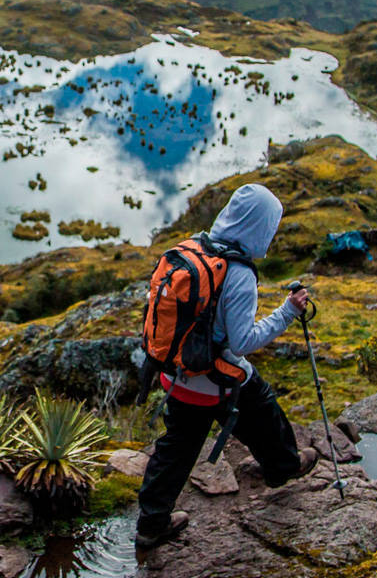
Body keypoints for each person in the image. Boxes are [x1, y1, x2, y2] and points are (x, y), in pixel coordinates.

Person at [135, 183, 318, 551]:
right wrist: (288, 311)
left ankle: (151, 524)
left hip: (177, 373)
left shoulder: (193, 248)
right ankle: (283, 467)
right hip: (216, 380)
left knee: (175, 450)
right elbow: (242, 343)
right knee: (261, 404)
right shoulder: (239, 274)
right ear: (259, 226)